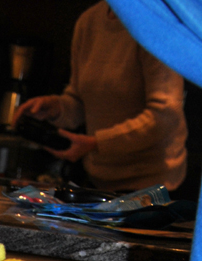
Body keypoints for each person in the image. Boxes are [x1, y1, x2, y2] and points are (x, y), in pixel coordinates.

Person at [14, 2, 187, 192]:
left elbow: (165, 116)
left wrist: (96, 143)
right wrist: (56, 108)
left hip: (153, 187)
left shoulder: (155, 22)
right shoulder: (89, 21)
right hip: (99, 181)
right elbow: (80, 102)